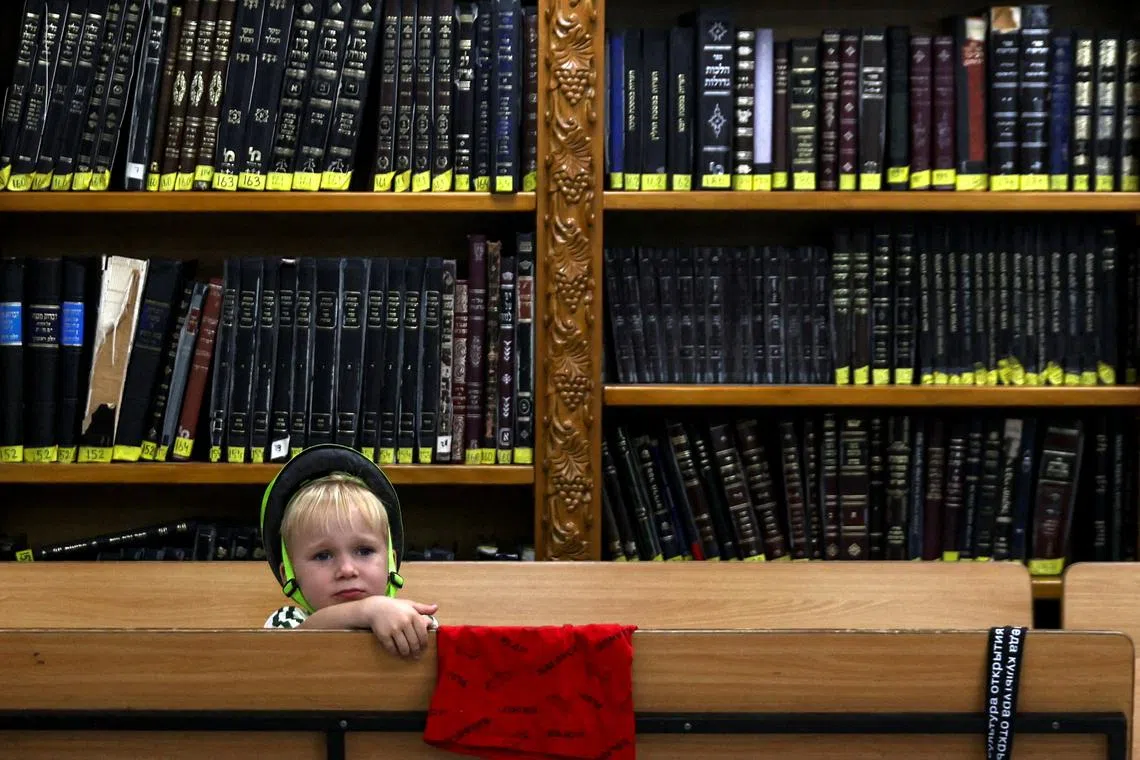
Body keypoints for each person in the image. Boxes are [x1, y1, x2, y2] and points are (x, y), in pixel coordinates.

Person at [260, 445, 438, 660]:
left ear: (391, 561)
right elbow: (297, 642)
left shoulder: (409, 619)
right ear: (289, 574)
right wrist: (367, 611)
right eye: (323, 555)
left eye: (364, 551)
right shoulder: (285, 621)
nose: (346, 570)